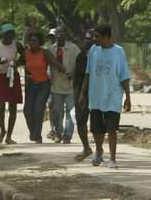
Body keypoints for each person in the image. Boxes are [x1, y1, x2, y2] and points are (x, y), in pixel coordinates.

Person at [79, 24, 131, 169]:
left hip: (113, 96)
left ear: (107, 36)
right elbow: (88, 73)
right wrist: (83, 94)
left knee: (112, 129)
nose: (94, 39)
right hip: (96, 96)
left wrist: (128, 96)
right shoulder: (94, 51)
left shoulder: (119, 52)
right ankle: (99, 150)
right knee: (96, 129)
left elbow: (124, 75)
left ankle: (113, 159)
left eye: (97, 36)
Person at [23, 31, 65, 143]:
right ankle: (33, 132)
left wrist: (66, 71)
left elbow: (55, 63)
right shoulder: (25, 53)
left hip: (43, 85)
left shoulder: (44, 53)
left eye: (34, 41)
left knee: (38, 110)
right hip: (30, 85)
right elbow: (18, 63)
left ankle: (37, 136)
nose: (32, 43)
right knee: (27, 110)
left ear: (39, 43)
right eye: (30, 41)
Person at [0, 24, 24, 144]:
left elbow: (25, 56)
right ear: (3, 35)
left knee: (12, 106)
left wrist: (17, 63)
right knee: (1, 105)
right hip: (1, 76)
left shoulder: (17, 45)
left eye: (12, 34)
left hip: (13, 76)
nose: (10, 37)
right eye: (7, 34)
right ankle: (2, 130)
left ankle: (9, 135)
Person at [49, 27, 80, 144]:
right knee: (56, 111)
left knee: (71, 112)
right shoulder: (51, 49)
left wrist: (74, 73)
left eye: (62, 32)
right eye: (57, 33)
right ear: (55, 35)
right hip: (56, 86)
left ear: (66, 34)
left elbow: (81, 62)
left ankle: (67, 136)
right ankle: (58, 132)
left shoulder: (73, 48)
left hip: (70, 86)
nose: (60, 35)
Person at [73, 30, 95, 161]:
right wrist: (77, 94)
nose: (87, 41)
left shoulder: (100, 56)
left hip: (97, 93)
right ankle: (86, 147)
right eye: (86, 39)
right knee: (81, 121)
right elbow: (77, 78)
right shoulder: (81, 56)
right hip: (82, 94)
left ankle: (98, 149)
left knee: (98, 123)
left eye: (91, 39)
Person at [46, 28, 57, 140]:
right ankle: (53, 129)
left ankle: (58, 129)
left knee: (58, 108)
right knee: (51, 105)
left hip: (61, 83)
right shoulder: (48, 50)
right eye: (51, 37)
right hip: (49, 82)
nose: (52, 39)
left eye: (53, 37)